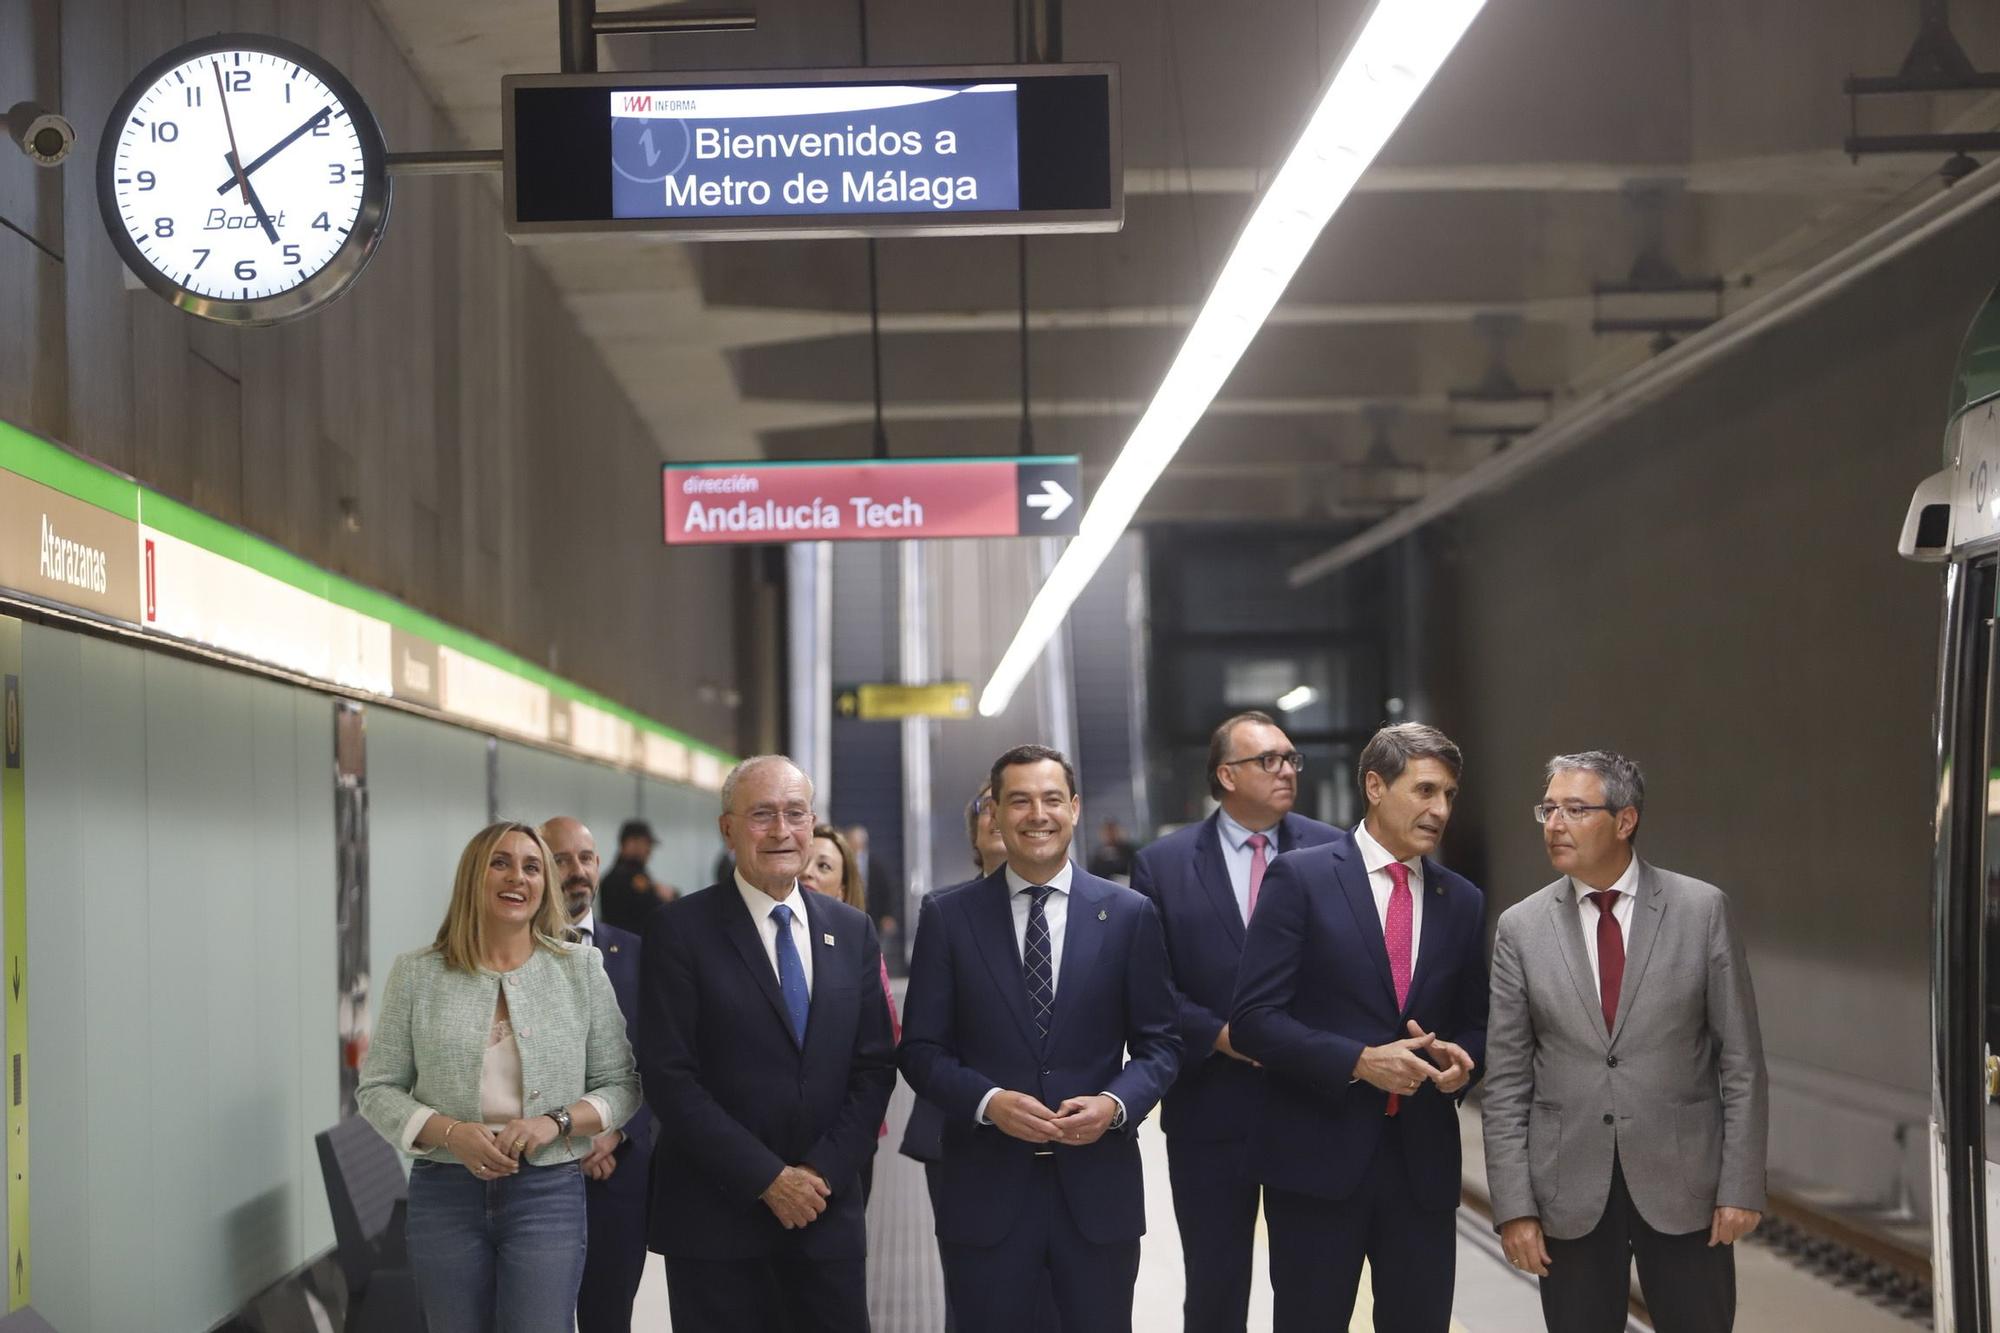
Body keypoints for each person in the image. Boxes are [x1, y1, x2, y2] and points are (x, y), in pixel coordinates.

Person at [1483, 751, 1768, 1333]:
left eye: (1575, 809)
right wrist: (1515, 1207)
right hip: (1569, 1194)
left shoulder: (1701, 910)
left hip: (1685, 1189)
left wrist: (1740, 1186)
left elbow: (1740, 1062)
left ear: (1625, 820)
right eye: (1548, 809)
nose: (1555, 824)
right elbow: (1508, 1082)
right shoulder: (1520, 928)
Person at [899, 744, 1181, 1333]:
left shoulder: (1129, 914)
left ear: (1075, 808)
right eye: (1019, 801)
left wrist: (1115, 1104)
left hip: (1097, 1193)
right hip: (985, 1192)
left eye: (1052, 799)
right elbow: (921, 1051)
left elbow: (1161, 1045)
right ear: (995, 814)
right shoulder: (948, 916)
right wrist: (987, 1102)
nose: (1038, 814)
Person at [1230, 723, 1489, 1333]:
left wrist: (1462, 1065)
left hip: (1421, 1171)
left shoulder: (1463, 899)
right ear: (1375, 785)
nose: (1440, 810)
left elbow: (1476, 1024)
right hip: (1317, 1163)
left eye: (1449, 794)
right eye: (1425, 790)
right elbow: (1253, 1023)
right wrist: (1358, 1061)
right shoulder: (1302, 878)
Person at [640, 756, 897, 1333]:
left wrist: (820, 1174)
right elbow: (669, 1076)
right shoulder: (678, 931)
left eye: (794, 813)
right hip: (717, 1221)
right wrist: (769, 1180)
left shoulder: (850, 932)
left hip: (826, 1215)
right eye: (762, 815)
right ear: (728, 829)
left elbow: (875, 1066)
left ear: (812, 823)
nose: (781, 830)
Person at [356, 822, 642, 1333]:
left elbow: (621, 1084)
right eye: (501, 863)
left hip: (547, 1190)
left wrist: (555, 1122)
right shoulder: (418, 974)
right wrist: (450, 1132)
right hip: (445, 1190)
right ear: (473, 876)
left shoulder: (579, 968)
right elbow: (377, 1089)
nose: (518, 877)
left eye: (532, 866)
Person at [1130, 711, 1341, 1332]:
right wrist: (1226, 1037)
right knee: (1216, 1288)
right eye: (1267, 760)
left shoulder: (1333, 849)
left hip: (1313, 1106)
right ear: (1226, 775)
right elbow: (1151, 989)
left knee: (1313, 1290)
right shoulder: (1163, 865)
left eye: (1291, 759)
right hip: (1211, 1111)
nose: (1285, 771)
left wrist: (1297, 1041)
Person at [897, 783, 1013, 1333]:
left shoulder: (1095, 914)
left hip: (1059, 1133)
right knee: (973, 1296)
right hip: (962, 1128)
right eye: (985, 807)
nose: (996, 815)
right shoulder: (944, 913)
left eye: (1008, 801)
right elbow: (924, 1037)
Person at [542, 816, 655, 1333]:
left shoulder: (636, 954)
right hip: (537, 1178)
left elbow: (660, 1062)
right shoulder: (511, 958)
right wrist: (572, 1142)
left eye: (586, 858)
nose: (576, 871)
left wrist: (616, 1133)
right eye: (561, 859)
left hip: (620, 1176)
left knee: (611, 1318)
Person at [799, 822, 902, 1202]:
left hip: (845, 1138)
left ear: (843, 889)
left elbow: (882, 1049)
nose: (808, 872)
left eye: (824, 866)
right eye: (804, 862)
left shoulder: (861, 952)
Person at [845, 822, 902, 971]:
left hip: (874, 913)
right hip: (852, 910)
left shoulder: (876, 864)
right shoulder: (844, 862)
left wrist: (888, 915)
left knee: (874, 947)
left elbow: (887, 890)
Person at [598, 819, 663, 933]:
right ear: (630, 843)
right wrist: (662, 894)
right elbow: (656, 909)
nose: (649, 850)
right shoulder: (626, 877)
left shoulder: (616, 875)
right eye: (646, 843)